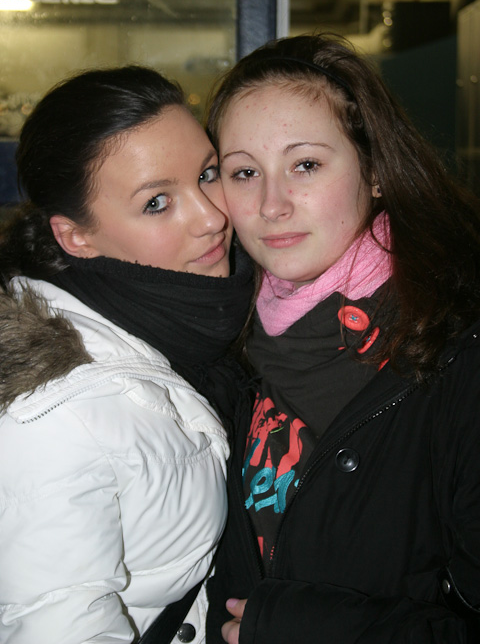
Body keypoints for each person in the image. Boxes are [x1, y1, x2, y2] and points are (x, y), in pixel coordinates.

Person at [204, 32, 480, 643]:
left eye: (305, 165)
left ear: (375, 171)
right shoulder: (219, 343)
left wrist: (310, 629)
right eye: (244, 172)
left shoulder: (458, 350)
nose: (272, 204)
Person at [0, 65, 253, 644]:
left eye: (207, 174)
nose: (212, 217)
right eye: (157, 203)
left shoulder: (207, 319)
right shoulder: (47, 414)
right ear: (76, 237)